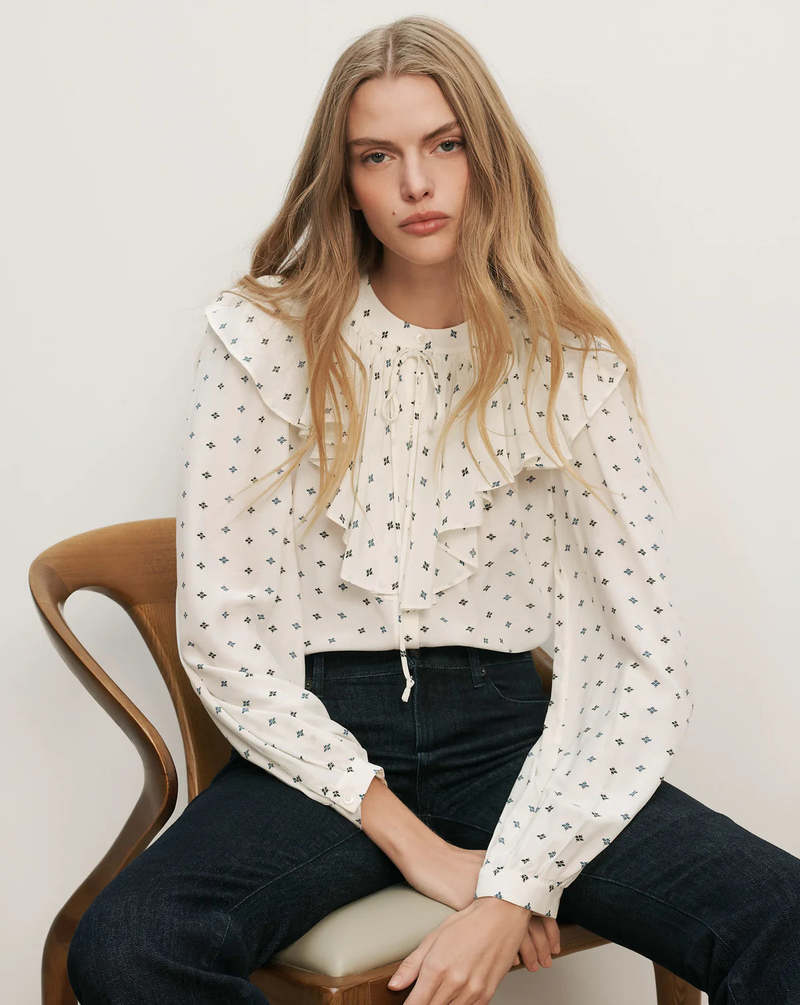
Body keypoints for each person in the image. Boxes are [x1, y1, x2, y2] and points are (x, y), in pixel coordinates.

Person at [66, 14, 800, 1005]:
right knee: (131, 945)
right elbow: (223, 630)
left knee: (781, 914)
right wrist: (413, 842)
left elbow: (641, 657)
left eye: (444, 145)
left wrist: (510, 886)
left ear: (486, 157)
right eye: (378, 155)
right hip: (318, 751)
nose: (415, 183)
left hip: (512, 742)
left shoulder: (570, 365)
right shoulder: (261, 339)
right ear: (345, 180)